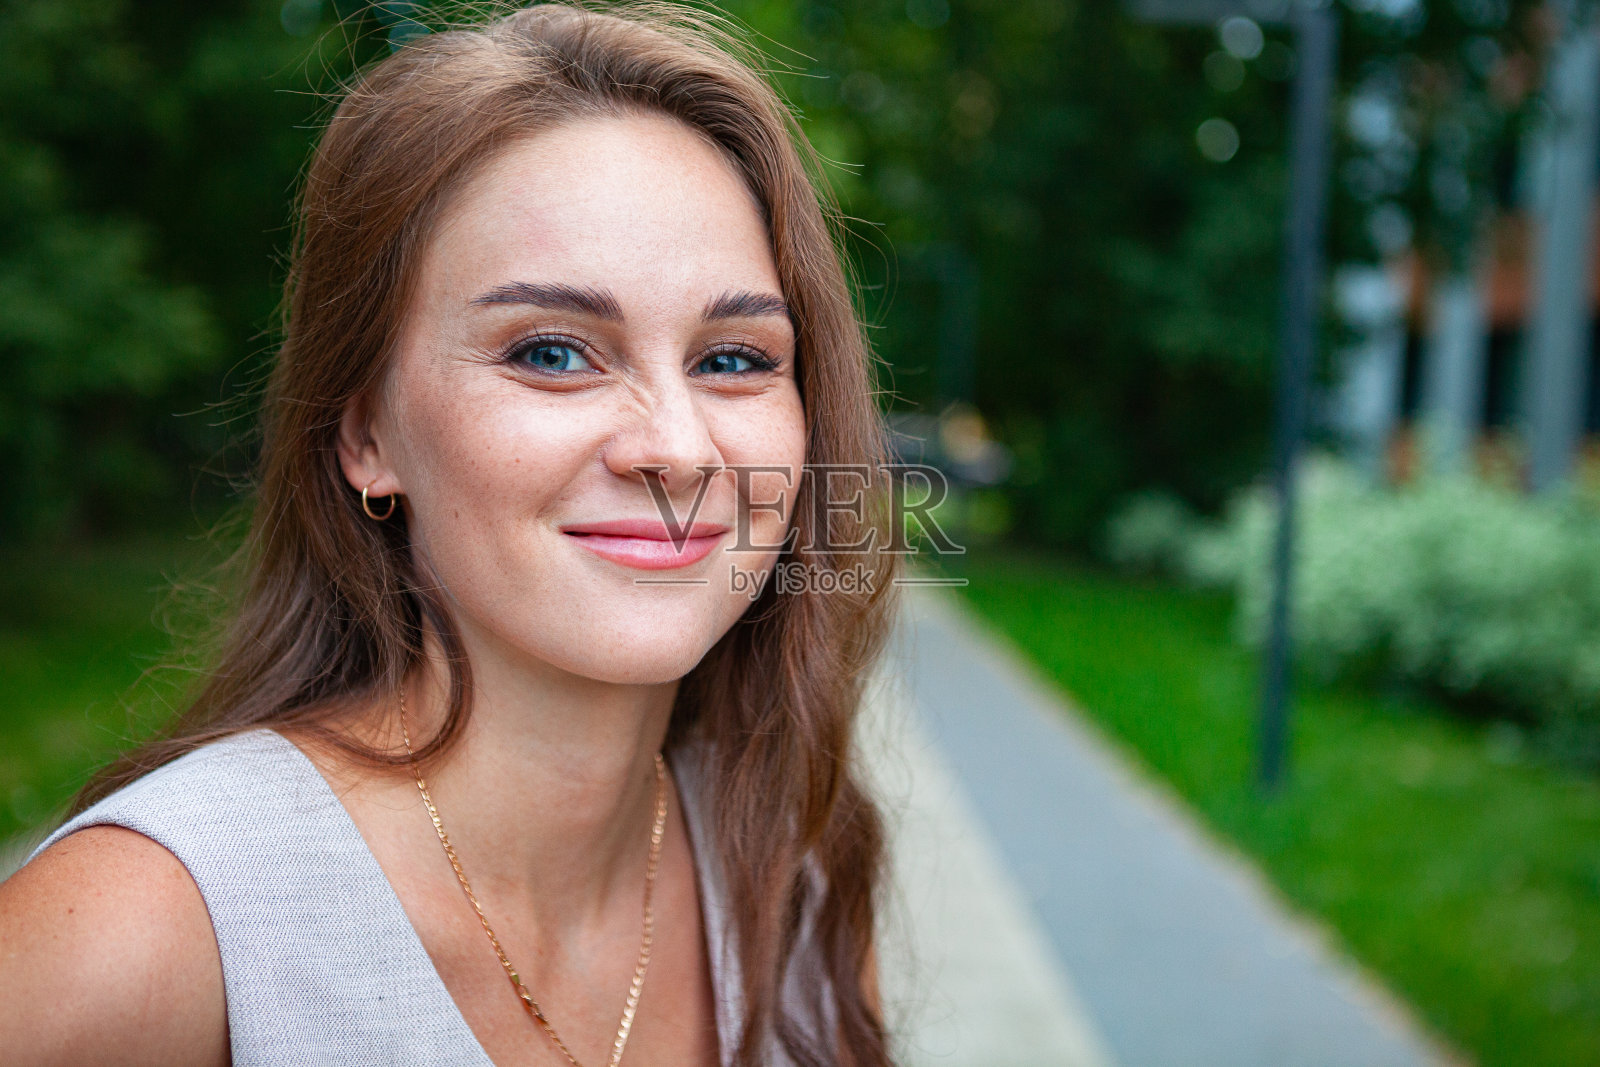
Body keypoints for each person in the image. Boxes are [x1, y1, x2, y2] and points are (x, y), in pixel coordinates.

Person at [0, 4, 901, 1065]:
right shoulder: (147, 931)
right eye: (554, 352)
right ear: (366, 432)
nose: (678, 447)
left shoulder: (788, 882)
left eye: (735, 359)